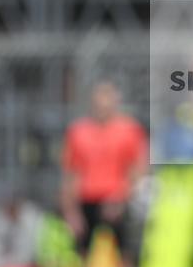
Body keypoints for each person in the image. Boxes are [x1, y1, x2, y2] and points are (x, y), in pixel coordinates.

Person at [61, 81, 147, 257]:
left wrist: (121, 198)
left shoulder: (128, 130)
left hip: (117, 201)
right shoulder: (78, 131)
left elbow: (138, 169)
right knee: (82, 259)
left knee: (122, 260)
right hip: (86, 201)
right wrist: (71, 211)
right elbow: (70, 173)